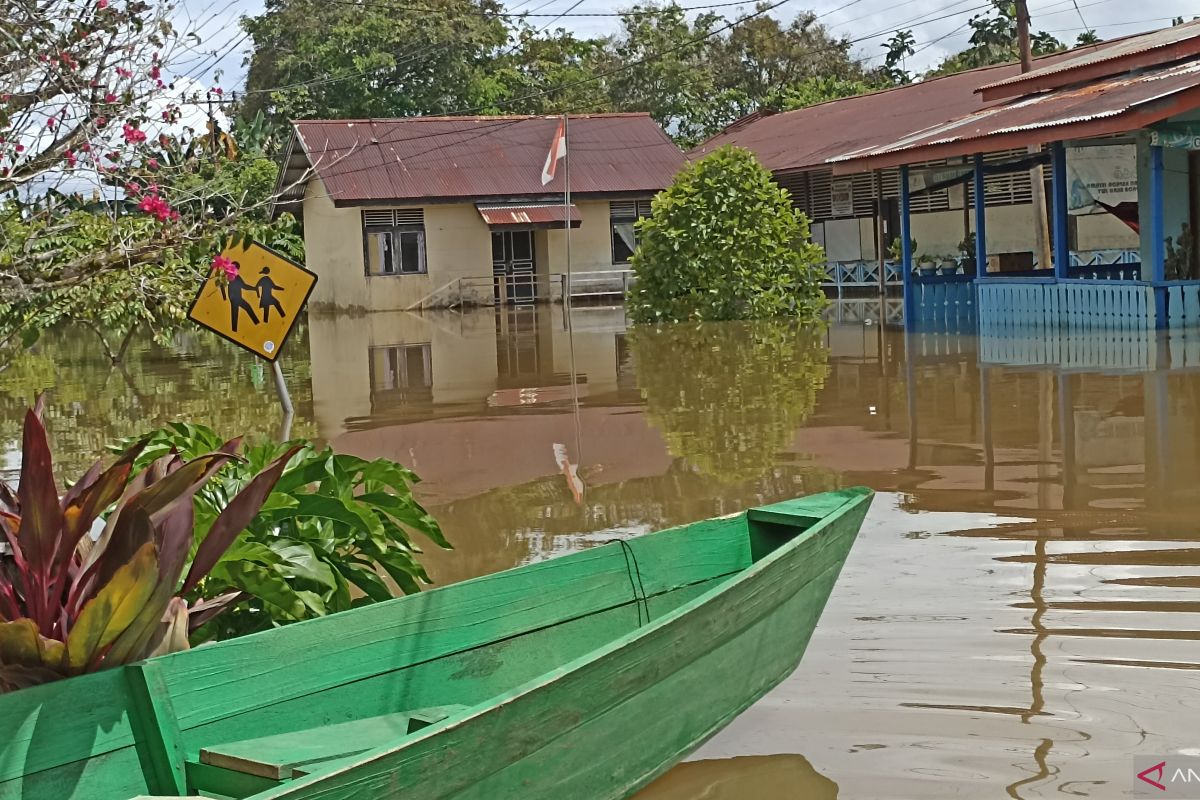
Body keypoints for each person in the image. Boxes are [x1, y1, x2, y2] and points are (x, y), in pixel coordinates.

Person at [225, 264, 259, 332]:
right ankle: (257, 323)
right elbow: (244, 286)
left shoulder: (230, 275)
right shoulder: (233, 276)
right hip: (236, 297)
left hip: (234, 297)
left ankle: (234, 330)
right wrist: (254, 289)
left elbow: (243, 286)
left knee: (235, 313)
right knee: (247, 308)